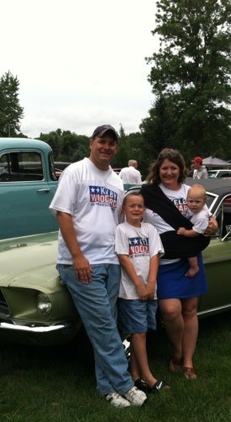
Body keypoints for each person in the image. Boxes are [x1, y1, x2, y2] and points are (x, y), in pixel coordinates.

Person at [49, 124, 147, 408]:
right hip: (80, 263)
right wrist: (78, 256)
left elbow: (118, 220)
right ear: (91, 143)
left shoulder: (116, 181)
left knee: (105, 326)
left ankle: (107, 388)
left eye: (112, 144)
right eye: (102, 141)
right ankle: (126, 384)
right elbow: (63, 214)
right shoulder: (75, 172)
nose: (107, 147)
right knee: (103, 324)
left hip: (110, 261)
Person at [140, 148, 217, 381]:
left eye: (173, 167)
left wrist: (213, 224)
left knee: (190, 310)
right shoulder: (150, 192)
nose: (169, 172)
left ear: (180, 169)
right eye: (165, 168)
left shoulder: (190, 192)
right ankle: (177, 349)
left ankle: (187, 360)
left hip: (189, 257)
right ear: (158, 169)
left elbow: (207, 218)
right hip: (163, 260)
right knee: (171, 311)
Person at [115, 191, 169, 393]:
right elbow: (123, 258)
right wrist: (139, 285)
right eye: (132, 206)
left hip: (150, 290)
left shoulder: (150, 229)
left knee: (143, 331)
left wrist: (151, 283)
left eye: (140, 206)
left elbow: (155, 256)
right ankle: (148, 377)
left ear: (144, 209)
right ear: (124, 209)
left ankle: (135, 375)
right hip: (132, 292)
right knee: (138, 332)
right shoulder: (121, 230)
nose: (137, 209)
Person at [176, 184, 209, 278]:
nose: (193, 204)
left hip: (197, 238)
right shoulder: (192, 209)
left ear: (204, 203)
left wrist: (184, 232)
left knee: (190, 250)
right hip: (191, 232)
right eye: (190, 201)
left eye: (197, 202)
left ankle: (194, 267)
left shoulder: (202, 217)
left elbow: (196, 232)